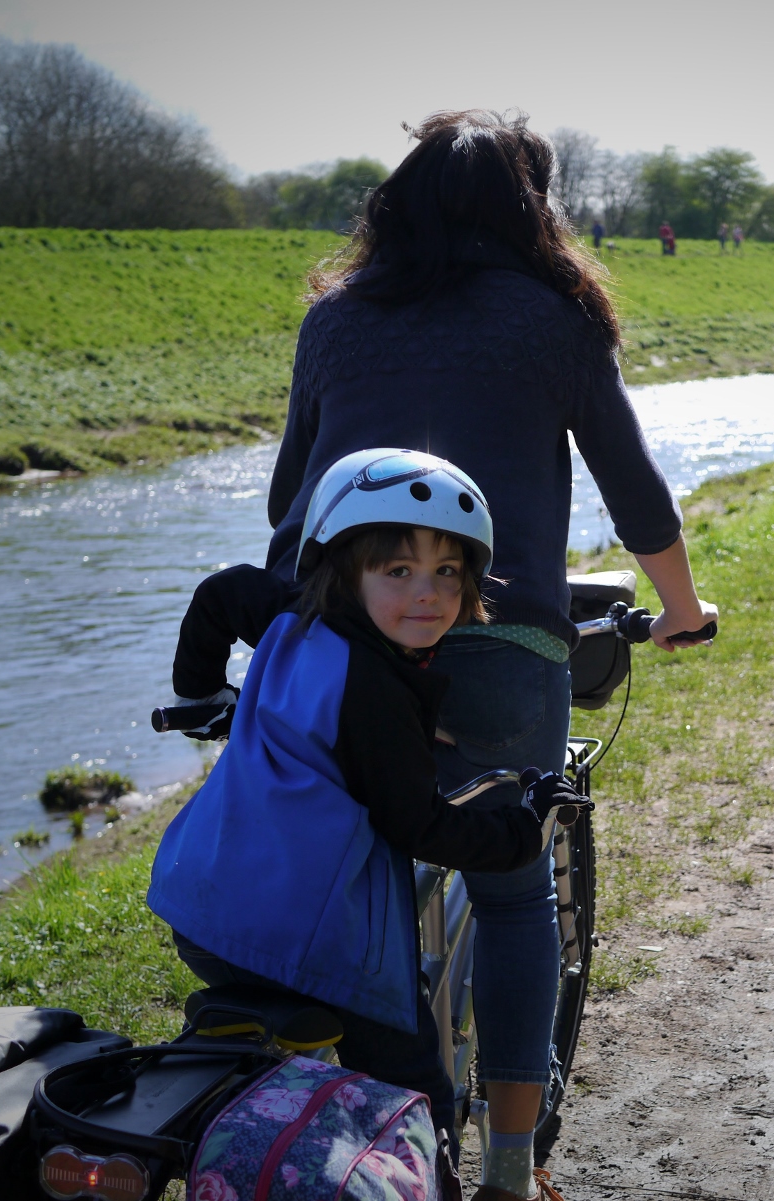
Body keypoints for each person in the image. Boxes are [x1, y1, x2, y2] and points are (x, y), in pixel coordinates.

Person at [263, 109, 717, 1201]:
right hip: (503, 640)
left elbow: (291, 500)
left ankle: (342, 1133)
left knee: (346, 875)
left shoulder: (336, 320)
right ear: (531, 212)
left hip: (336, 644)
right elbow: (633, 487)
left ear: (396, 207)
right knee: (512, 896)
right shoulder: (555, 318)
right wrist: (681, 608)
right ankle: (511, 1170)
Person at [148, 448, 587, 1161]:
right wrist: (523, 829)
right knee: (416, 1094)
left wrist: (199, 692)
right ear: (346, 569)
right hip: (314, 944)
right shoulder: (377, 693)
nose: (429, 594)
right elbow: (420, 825)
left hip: (201, 912)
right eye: (398, 571)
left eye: (449, 571)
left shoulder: (291, 613)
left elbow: (221, 593)